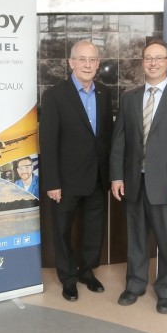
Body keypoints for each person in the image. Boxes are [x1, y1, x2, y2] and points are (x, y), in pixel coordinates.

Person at [110, 39, 167, 314]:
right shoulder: (129, 98)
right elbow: (119, 142)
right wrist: (117, 177)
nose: (153, 63)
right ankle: (135, 285)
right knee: (136, 238)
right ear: (143, 62)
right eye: (148, 58)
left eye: (159, 58)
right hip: (134, 182)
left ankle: (165, 291)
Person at [39, 40, 113, 301]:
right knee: (62, 231)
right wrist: (52, 182)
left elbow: (106, 138)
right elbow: (47, 143)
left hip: (96, 177)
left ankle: (86, 272)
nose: (87, 64)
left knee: (94, 229)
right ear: (71, 63)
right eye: (82, 59)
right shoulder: (54, 96)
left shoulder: (104, 94)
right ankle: (68, 278)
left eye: (92, 60)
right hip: (65, 180)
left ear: (98, 64)